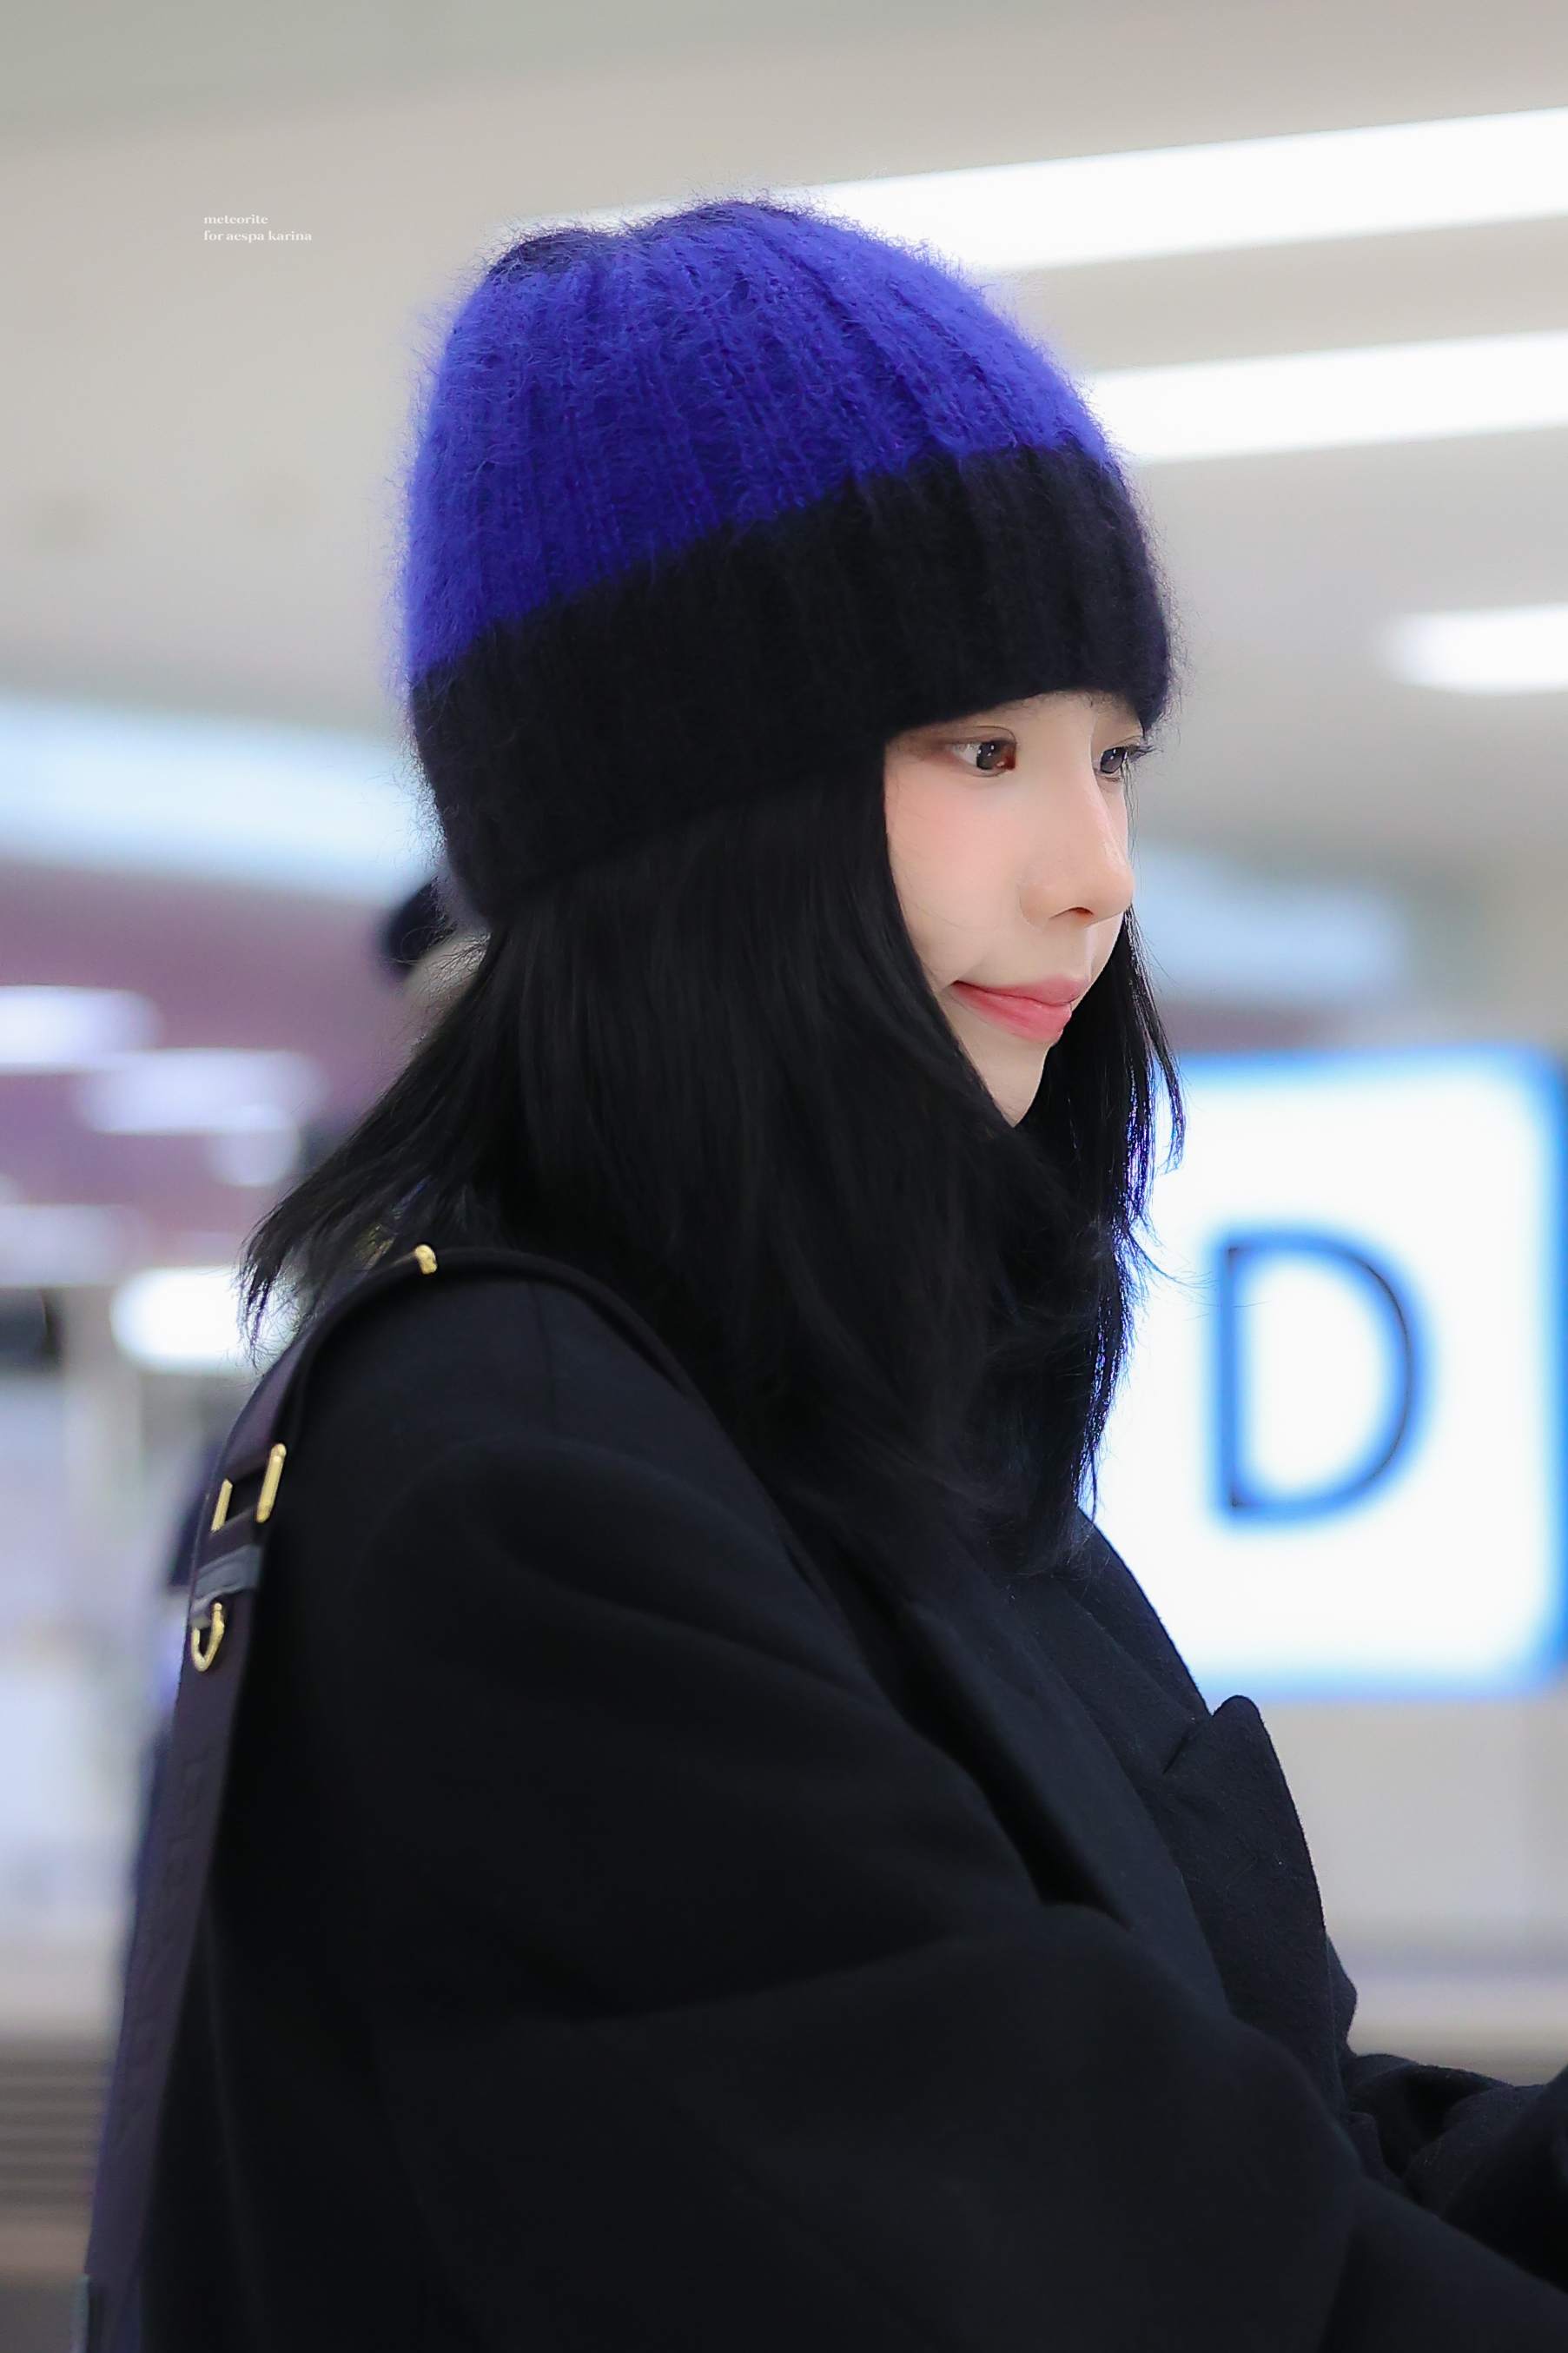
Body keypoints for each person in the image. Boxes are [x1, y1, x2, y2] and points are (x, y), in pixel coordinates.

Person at [142, 202, 1568, 2349]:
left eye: (1112, 757)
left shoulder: (867, 1431)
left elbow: (1261, 2151)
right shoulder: (516, 1488)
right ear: (692, 822)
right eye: (981, 753)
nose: (1093, 873)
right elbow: (1129, 2279)